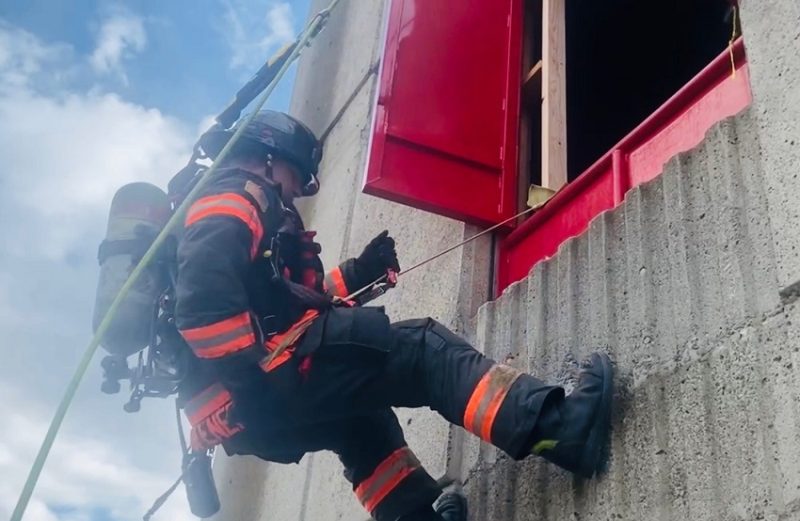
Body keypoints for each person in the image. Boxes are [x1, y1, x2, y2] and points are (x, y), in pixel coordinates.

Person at [173, 110, 614, 521]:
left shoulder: (245, 212)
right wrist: (253, 391)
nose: (295, 193)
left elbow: (289, 309)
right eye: (295, 177)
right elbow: (203, 310)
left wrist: (360, 273)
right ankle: (559, 429)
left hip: (244, 421)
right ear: (268, 158)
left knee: (362, 425)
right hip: (254, 392)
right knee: (423, 351)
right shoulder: (234, 198)